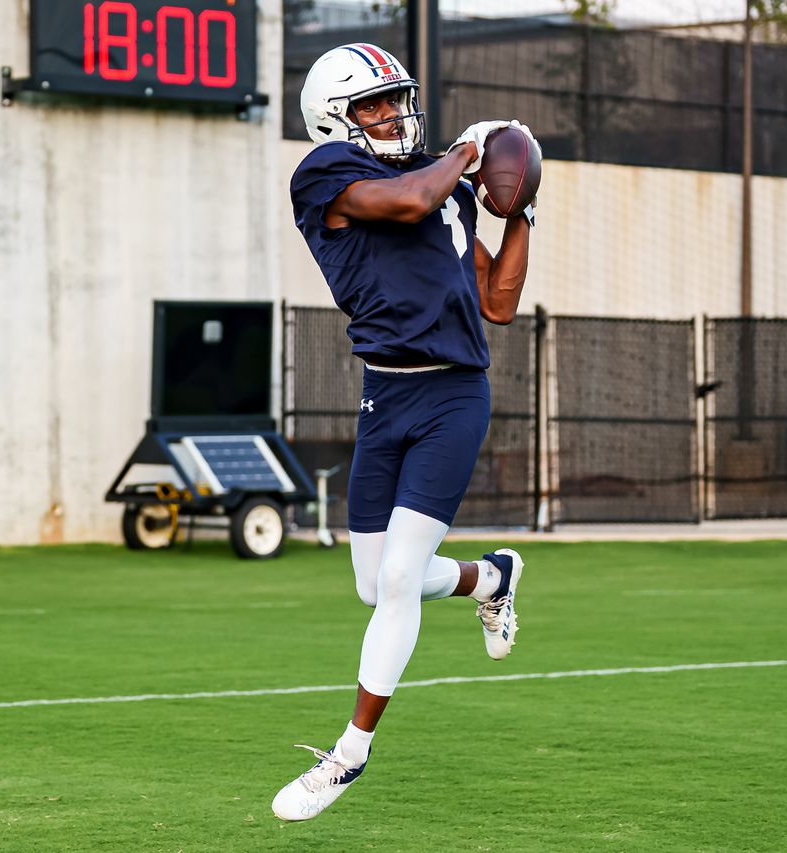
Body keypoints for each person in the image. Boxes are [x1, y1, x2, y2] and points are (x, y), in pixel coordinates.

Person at [271, 43, 537, 822]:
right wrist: (467, 151)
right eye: (374, 104)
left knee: (393, 581)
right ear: (335, 118)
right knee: (372, 582)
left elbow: (498, 301)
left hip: (455, 396)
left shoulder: (441, 184)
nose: (393, 113)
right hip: (385, 399)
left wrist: (520, 209)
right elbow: (409, 202)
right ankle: (491, 578)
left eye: (398, 99)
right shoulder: (324, 173)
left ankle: (349, 754)